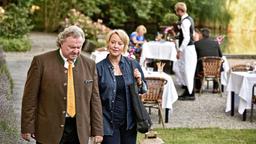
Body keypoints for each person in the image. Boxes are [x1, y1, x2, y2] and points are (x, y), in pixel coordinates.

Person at [21, 25, 103, 144]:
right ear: (61, 43)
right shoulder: (41, 62)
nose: (75, 51)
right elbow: (30, 97)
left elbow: (95, 99)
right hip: (48, 129)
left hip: (79, 130)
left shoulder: (90, 64)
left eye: (79, 47)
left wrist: (97, 130)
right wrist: (27, 127)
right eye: (71, 47)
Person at [96, 29, 147, 144]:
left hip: (129, 123)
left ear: (124, 46)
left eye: (120, 43)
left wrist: (139, 81)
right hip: (108, 123)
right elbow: (94, 99)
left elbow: (144, 89)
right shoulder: (98, 68)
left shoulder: (132, 64)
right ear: (108, 43)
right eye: (113, 42)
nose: (116, 46)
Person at [175, 2, 197, 100]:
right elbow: (194, 34)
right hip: (190, 48)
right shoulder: (190, 19)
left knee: (188, 70)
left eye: (176, 10)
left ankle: (190, 94)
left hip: (188, 49)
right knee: (186, 69)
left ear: (179, 10)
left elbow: (187, 38)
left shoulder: (185, 21)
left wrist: (179, 50)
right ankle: (188, 90)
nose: (176, 13)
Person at [194, 28, 223, 93]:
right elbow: (220, 55)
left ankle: (198, 87)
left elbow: (194, 57)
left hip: (202, 69)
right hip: (215, 69)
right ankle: (215, 88)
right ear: (209, 35)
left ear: (201, 35)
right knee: (219, 64)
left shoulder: (196, 44)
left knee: (195, 64)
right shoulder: (216, 43)